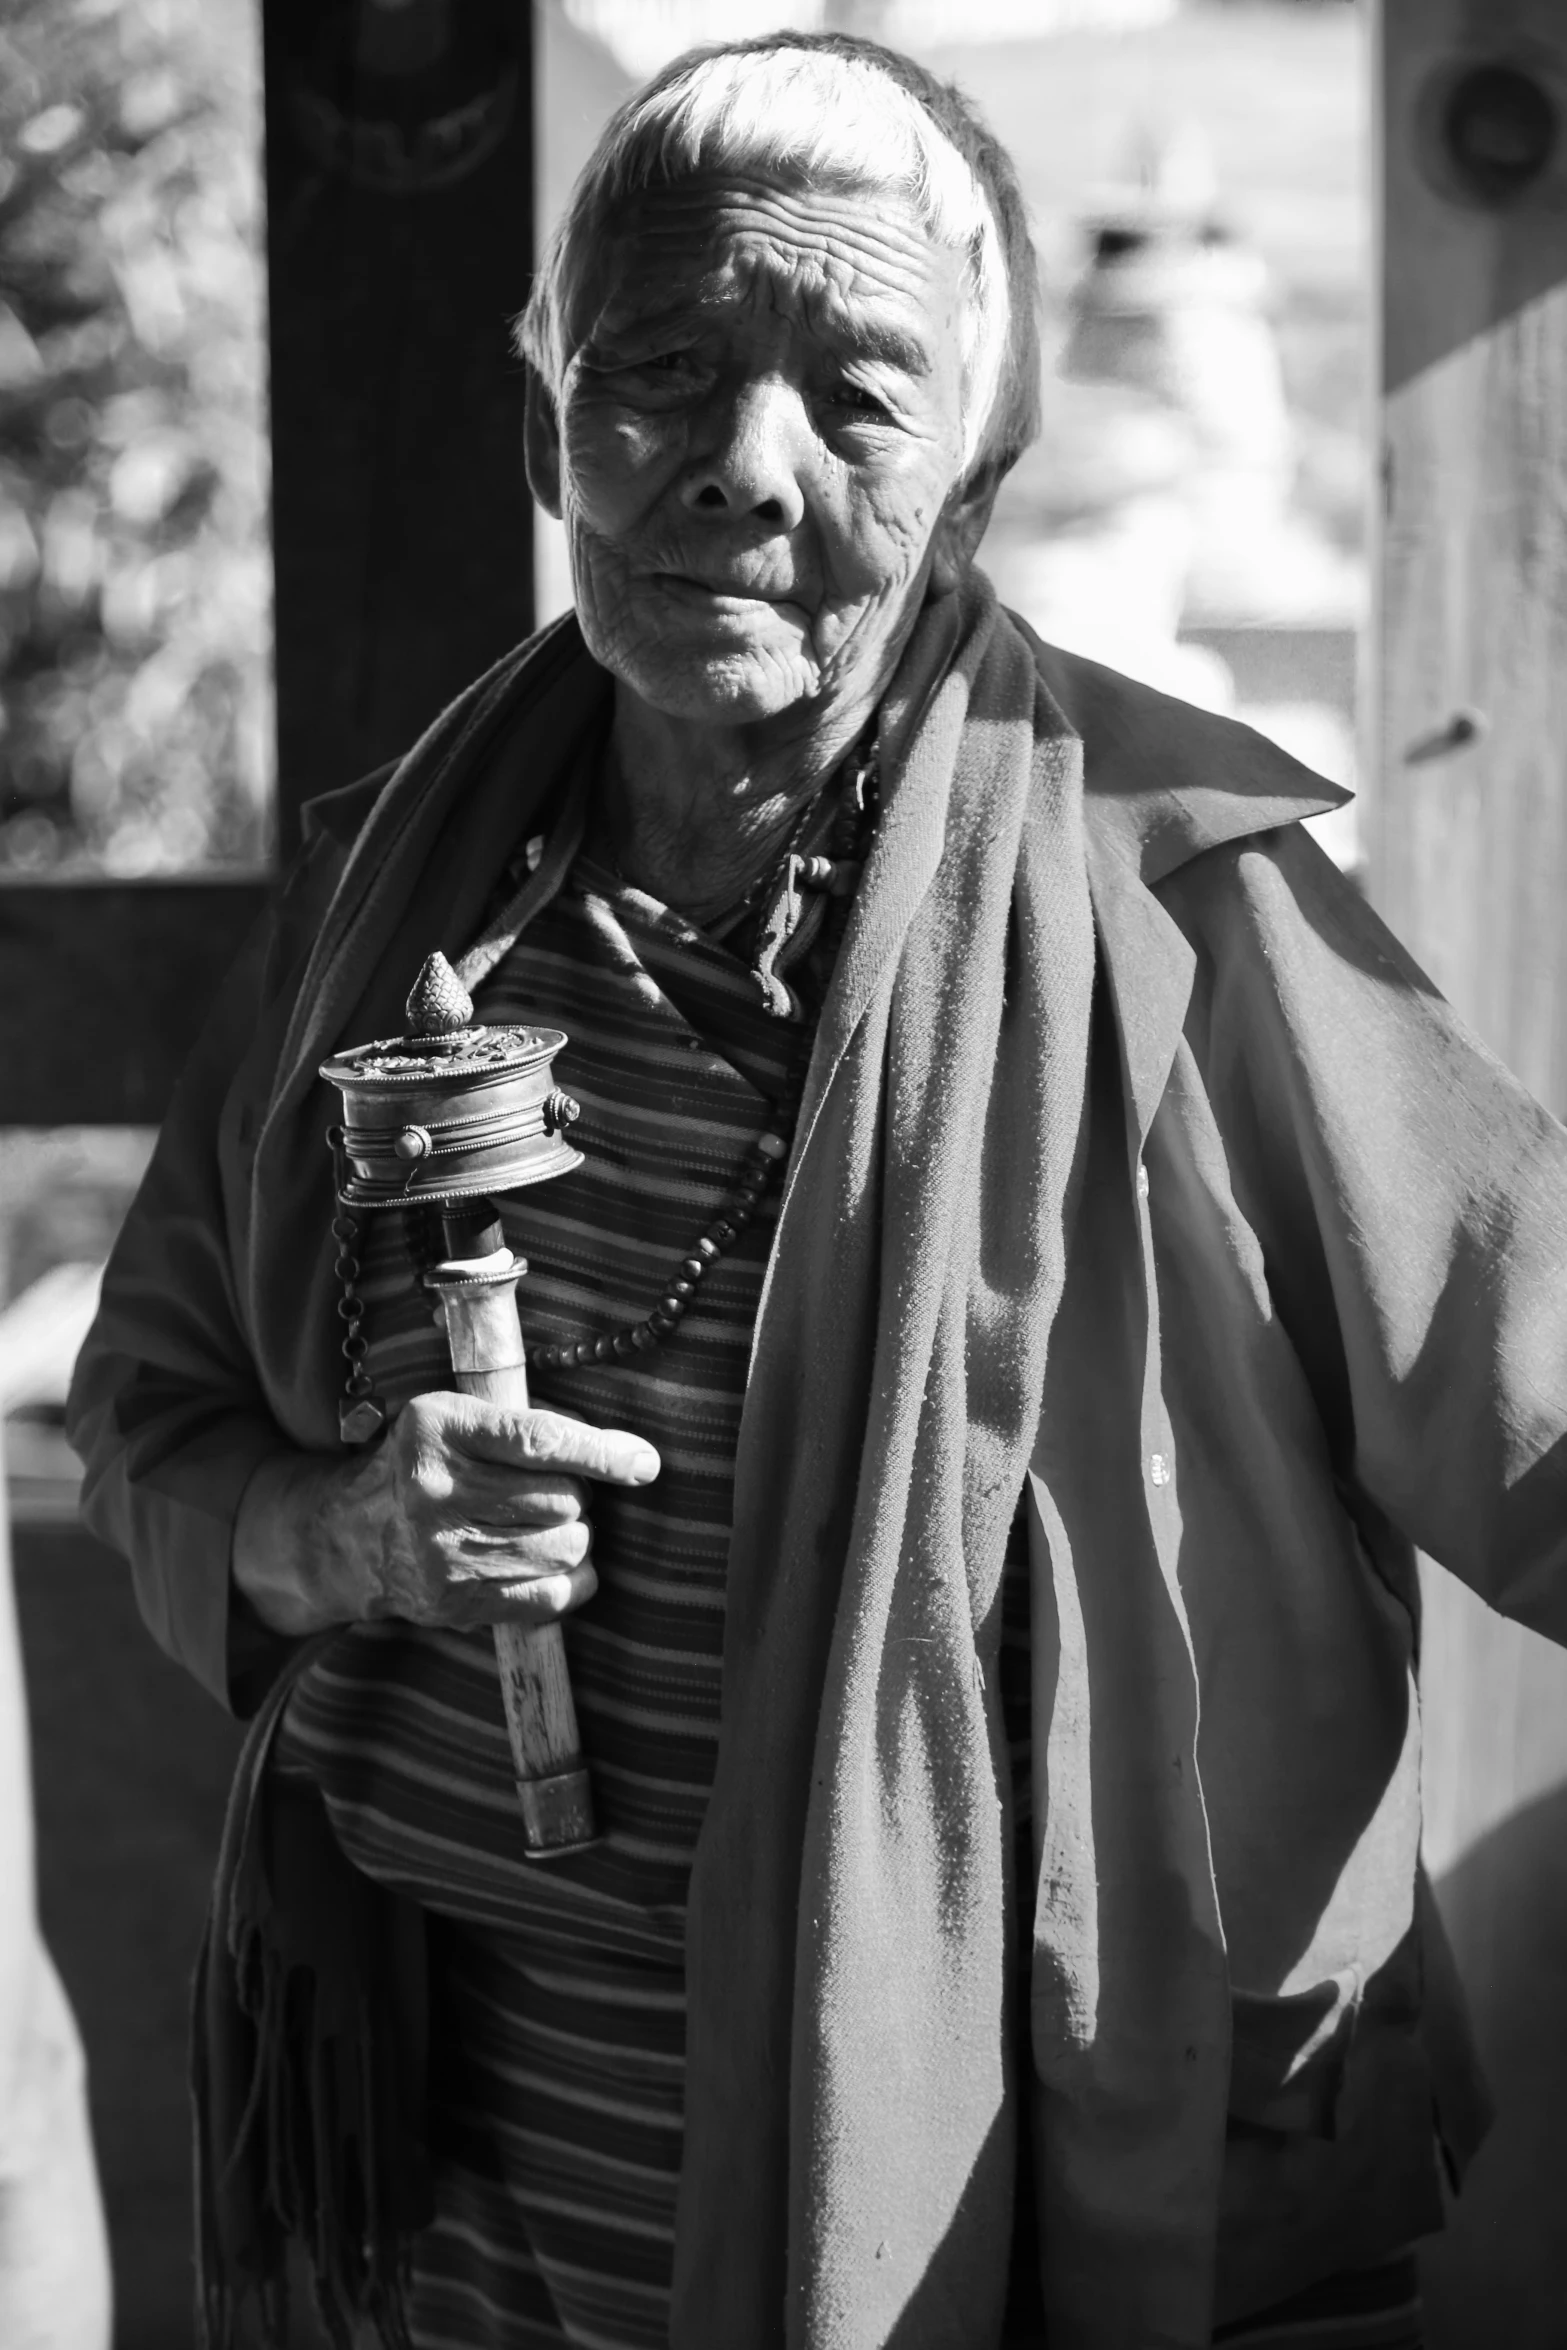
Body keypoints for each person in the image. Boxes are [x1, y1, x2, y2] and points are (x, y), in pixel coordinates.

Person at [65, 31, 1566, 2350]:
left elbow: (1536, 1384)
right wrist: (350, 1528)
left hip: (964, 2167)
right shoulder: (400, 892)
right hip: (423, 2188)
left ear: (976, 465)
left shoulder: (1174, 912)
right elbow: (157, 1421)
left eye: (859, 394)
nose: (743, 472)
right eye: (660, 365)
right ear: (543, 401)